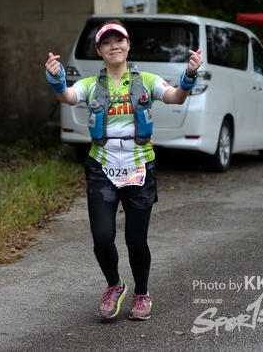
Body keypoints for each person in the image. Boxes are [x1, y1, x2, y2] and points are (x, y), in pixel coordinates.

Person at [44, 20, 203, 321]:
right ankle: (114, 285)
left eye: (119, 40)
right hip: (101, 168)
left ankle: (142, 294)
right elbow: (67, 97)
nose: (113, 46)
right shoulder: (91, 85)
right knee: (102, 238)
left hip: (139, 168)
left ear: (128, 45)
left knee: (136, 241)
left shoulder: (147, 80)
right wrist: (57, 79)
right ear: (99, 50)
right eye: (106, 42)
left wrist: (189, 75)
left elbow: (176, 96)